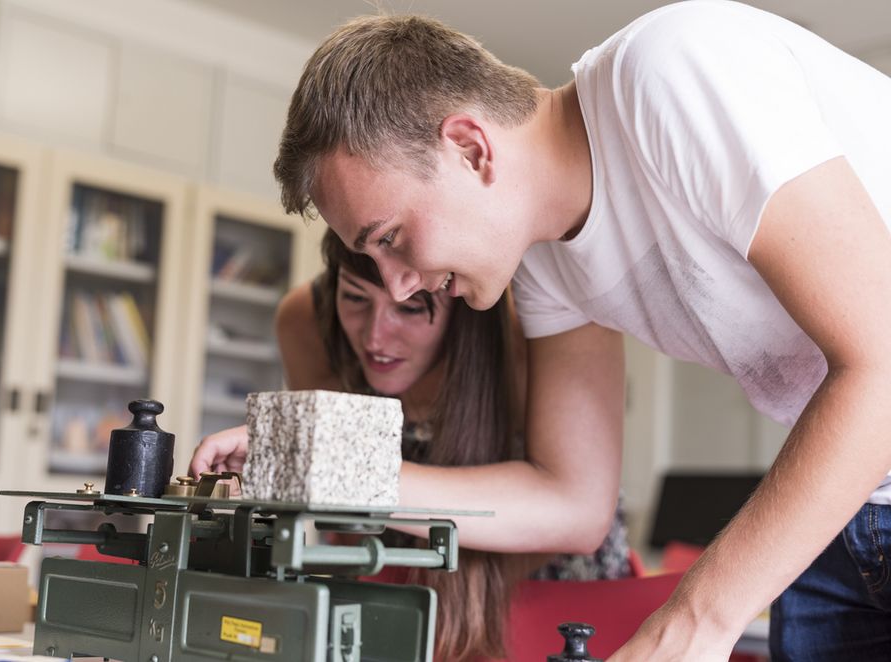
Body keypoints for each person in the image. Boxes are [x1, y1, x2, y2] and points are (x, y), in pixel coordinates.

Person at [264, 2, 891, 660]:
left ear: (471, 149)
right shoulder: (542, 265)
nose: (397, 284)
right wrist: (305, 463)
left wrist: (695, 619)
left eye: (389, 238)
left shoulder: (675, 70)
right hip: (843, 517)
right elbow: (569, 496)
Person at [192, 229, 632, 661]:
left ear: (461, 301)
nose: (375, 339)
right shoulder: (305, 320)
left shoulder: (530, 331)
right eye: (355, 298)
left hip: (544, 581)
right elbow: (342, 522)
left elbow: (566, 515)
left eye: (411, 309)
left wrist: (311, 459)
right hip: (390, 569)